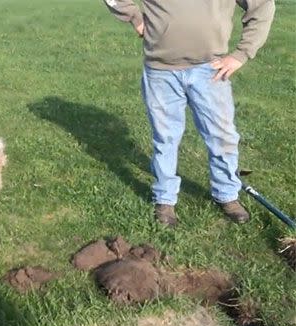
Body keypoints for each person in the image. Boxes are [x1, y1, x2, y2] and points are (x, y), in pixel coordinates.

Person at [103, 0, 275, 227]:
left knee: (222, 136)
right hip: (161, 70)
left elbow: (262, 5)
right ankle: (165, 198)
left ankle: (226, 194)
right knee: (165, 138)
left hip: (210, 69)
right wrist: (135, 17)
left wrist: (241, 54)